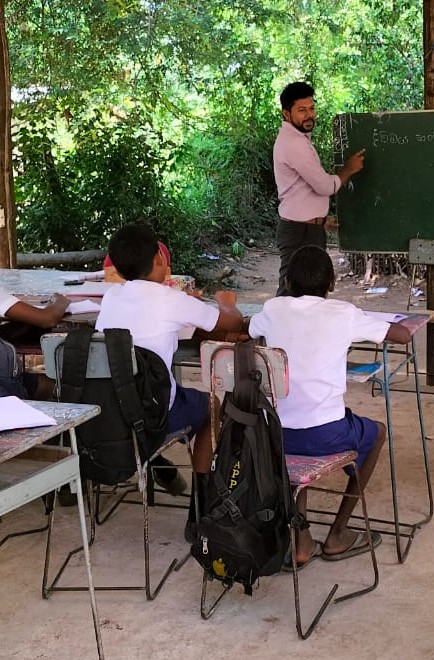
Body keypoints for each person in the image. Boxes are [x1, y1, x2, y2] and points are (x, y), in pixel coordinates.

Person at [246, 245, 411, 566]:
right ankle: (338, 532)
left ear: (289, 284)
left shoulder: (274, 309)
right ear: (332, 283)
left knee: (295, 438)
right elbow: (402, 335)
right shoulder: (343, 313)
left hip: (275, 436)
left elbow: (248, 328)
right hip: (326, 436)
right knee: (377, 433)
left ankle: (301, 539)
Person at [95, 224, 244, 539]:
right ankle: (200, 506)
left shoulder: (110, 298)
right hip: (152, 417)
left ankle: (155, 464)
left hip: (108, 418)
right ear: (159, 260)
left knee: (156, 390)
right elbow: (232, 324)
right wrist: (226, 301)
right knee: (210, 404)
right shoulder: (170, 300)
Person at [273, 81, 365, 296]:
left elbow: (302, 194)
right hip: (299, 232)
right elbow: (324, 186)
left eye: (312, 108)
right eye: (302, 110)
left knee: (308, 292)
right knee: (291, 292)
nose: (309, 115)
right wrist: (348, 169)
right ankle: (277, 329)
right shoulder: (293, 143)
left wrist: (321, 221)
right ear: (286, 114)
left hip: (306, 229)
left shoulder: (299, 139)